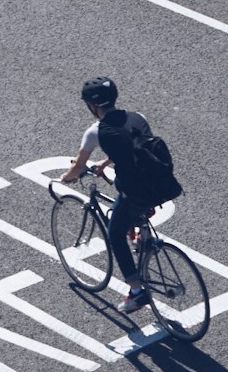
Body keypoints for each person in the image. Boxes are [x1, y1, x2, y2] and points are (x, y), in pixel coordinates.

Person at [60, 77, 157, 315]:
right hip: (159, 183)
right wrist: (106, 161)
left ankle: (136, 291)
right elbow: (137, 146)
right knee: (132, 211)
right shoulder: (138, 116)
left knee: (115, 234)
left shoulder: (95, 132)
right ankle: (144, 238)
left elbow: (78, 166)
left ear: (92, 106)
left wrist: (67, 177)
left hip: (134, 191)